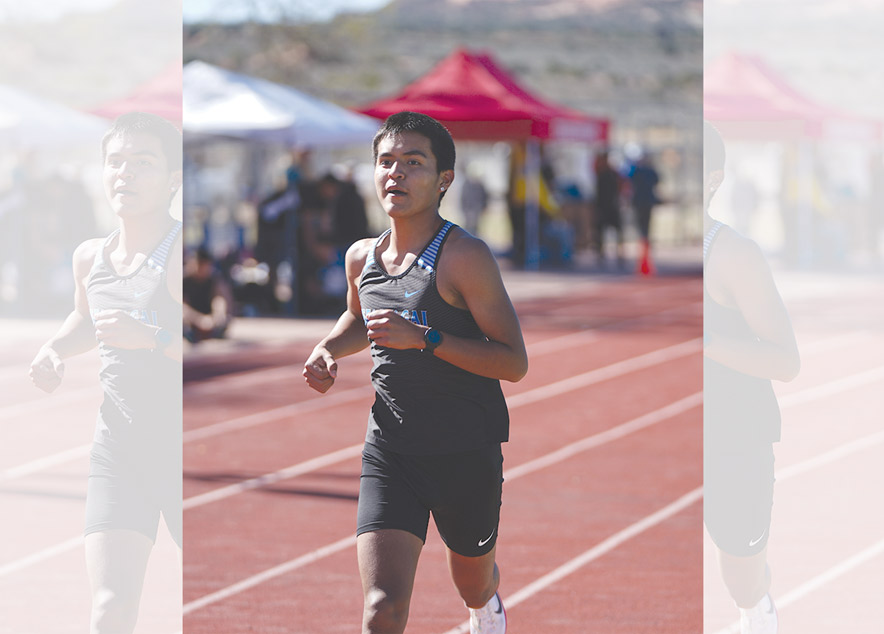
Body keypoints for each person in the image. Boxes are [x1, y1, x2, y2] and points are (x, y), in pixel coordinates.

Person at [303, 111, 527, 634]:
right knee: (382, 608)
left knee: (472, 582)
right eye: (386, 161)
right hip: (391, 448)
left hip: (465, 450)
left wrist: (426, 337)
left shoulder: (464, 257)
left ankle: (485, 607)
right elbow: (360, 319)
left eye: (413, 162)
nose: (396, 173)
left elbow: (513, 361)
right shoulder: (362, 257)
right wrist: (327, 349)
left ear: (444, 179)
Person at [28, 112, 183, 634]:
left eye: (143, 162)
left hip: (182, 451)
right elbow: (85, 318)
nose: (126, 173)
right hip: (118, 450)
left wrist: (154, 338)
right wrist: (54, 349)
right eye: (116, 162)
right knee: (111, 608)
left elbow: (205, 351)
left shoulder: (177, 255)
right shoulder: (89, 256)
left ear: (173, 179)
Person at [703, 121, 800, 634]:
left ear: (714, 179)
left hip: (735, 436)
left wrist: (706, 343)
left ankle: (756, 607)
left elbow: (786, 362)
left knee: (739, 574)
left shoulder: (734, 255)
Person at [183, 246, 233, 342]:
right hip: (191, 318)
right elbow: (181, 305)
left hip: (210, 317)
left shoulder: (214, 279)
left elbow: (220, 299)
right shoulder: (184, 279)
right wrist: (198, 319)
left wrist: (216, 316)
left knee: (221, 310)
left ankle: (215, 332)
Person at [592, 150, 624, 269]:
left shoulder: (611, 174)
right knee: (601, 232)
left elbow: (620, 188)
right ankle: (601, 253)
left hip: (611, 206)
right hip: (604, 206)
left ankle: (619, 253)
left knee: (617, 231)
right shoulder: (601, 174)